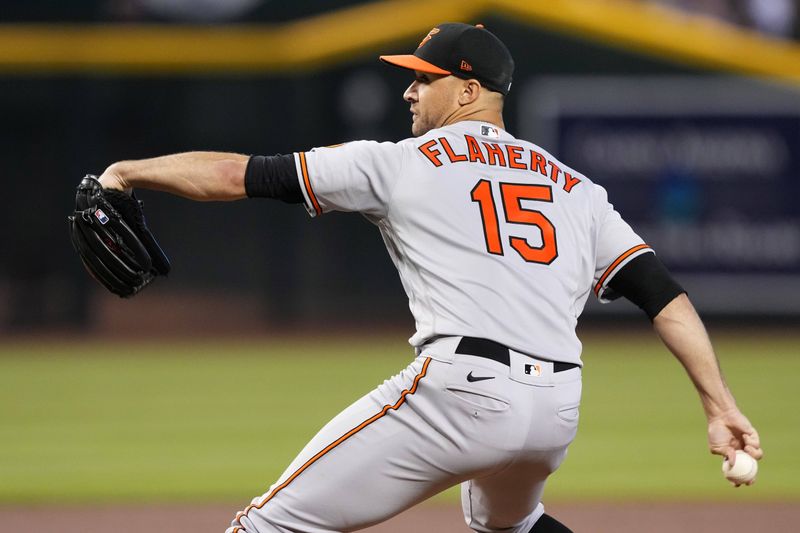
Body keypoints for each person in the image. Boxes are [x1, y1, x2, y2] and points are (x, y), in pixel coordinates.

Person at [96, 22, 762, 533]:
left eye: (426, 77)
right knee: (512, 524)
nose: (410, 89)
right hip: (556, 409)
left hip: (462, 393)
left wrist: (127, 171)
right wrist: (719, 406)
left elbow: (236, 175)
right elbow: (664, 297)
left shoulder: (397, 163)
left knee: (267, 525)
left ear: (469, 90)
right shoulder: (578, 189)